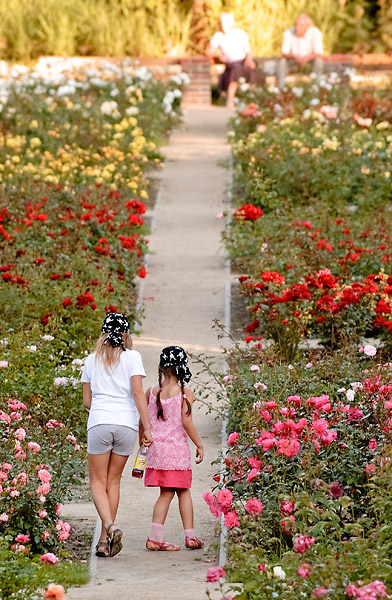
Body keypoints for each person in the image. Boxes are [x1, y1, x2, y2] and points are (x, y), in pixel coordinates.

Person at [81, 312, 152, 558]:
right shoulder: (133, 357)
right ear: (126, 335)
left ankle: (110, 527)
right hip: (127, 426)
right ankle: (103, 541)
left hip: (100, 422)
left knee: (97, 483)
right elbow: (137, 393)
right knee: (113, 482)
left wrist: (104, 409)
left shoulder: (91, 360)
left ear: (103, 334)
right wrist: (147, 428)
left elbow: (87, 401)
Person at [140, 346, 204, 551]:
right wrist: (199, 444)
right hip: (176, 453)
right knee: (183, 491)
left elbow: (143, 419)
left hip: (157, 452)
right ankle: (189, 536)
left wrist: (143, 438)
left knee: (165, 492)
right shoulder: (185, 393)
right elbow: (186, 422)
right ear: (181, 368)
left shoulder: (151, 392)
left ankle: (155, 537)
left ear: (161, 367)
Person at [205, 12, 256, 108]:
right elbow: (208, 51)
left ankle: (250, 99)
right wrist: (219, 55)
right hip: (231, 64)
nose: (222, 25)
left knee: (249, 68)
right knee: (235, 69)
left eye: (225, 22)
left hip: (243, 62)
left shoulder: (240, 33)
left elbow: (249, 51)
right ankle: (230, 99)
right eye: (221, 22)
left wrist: (249, 60)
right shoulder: (218, 36)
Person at [277, 14, 323, 89]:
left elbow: (319, 53)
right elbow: (284, 53)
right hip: (293, 62)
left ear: (307, 26)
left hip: (309, 63)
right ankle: (281, 88)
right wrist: (294, 57)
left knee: (319, 61)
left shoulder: (315, 32)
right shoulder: (289, 32)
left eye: (301, 25)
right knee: (282, 62)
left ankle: (316, 88)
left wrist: (308, 57)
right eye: (296, 25)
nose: (297, 28)